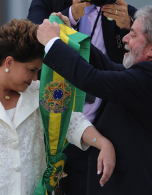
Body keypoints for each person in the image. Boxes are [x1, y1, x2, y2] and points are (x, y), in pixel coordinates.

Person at [0, 18, 116, 195]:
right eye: (32, 70)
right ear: (9, 62)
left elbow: (72, 122)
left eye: (38, 71)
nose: (35, 78)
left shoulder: (38, 91)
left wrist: (103, 144)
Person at [37, 5, 152, 195]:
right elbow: (107, 68)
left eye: (132, 34)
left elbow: (93, 79)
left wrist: (52, 43)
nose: (124, 38)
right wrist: (71, 35)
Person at [28, 0, 136, 194]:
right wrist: (70, 15)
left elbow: (138, 65)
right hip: (57, 124)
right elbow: (30, 35)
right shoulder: (47, 2)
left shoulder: (118, 8)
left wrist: (128, 27)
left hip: (104, 129)